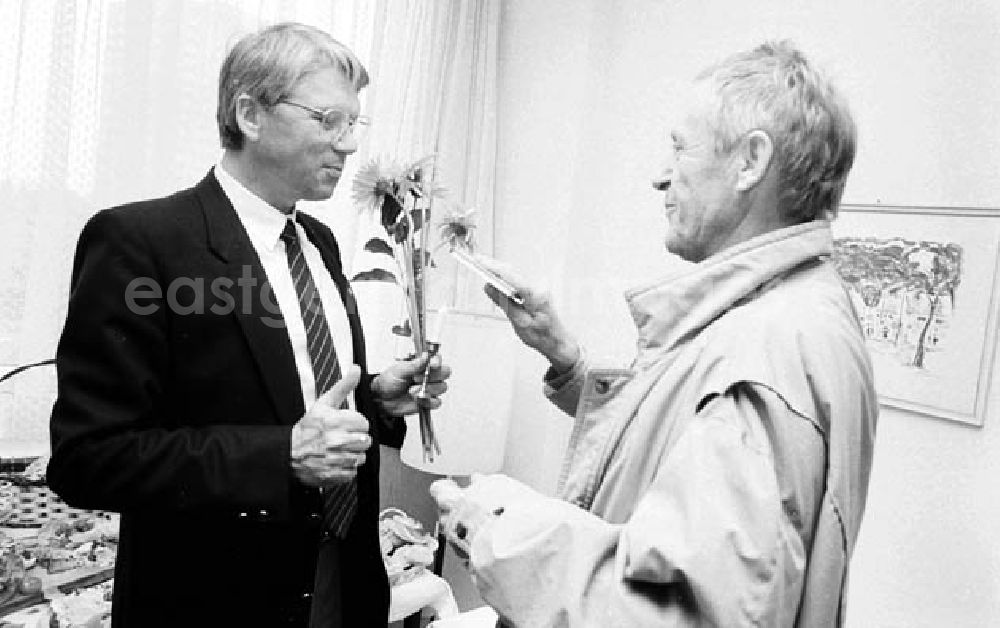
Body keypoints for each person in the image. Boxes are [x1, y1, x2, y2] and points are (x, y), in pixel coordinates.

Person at [431, 40, 877, 627]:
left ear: (750, 162)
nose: (659, 178)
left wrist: (494, 521)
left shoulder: (764, 355)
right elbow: (679, 437)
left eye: (679, 148)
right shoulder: (793, 312)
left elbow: (676, 614)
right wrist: (568, 364)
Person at [47, 22, 449, 628]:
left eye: (354, 125)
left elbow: (287, 393)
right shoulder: (142, 244)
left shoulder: (319, 243)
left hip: (345, 581)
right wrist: (280, 456)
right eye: (328, 120)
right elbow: (89, 459)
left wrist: (377, 399)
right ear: (250, 114)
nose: (348, 146)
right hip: (213, 601)